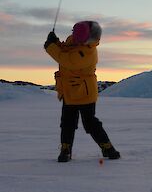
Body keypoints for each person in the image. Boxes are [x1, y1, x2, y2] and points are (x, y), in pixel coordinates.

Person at [44, 21, 120, 162]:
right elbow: (66, 48)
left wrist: (50, 47)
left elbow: (66, 59)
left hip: (84, 92)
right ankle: (65, 150)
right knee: (67, 123)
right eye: (74, 33)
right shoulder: (75, 40)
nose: (74, 37)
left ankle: (108, 148)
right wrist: (55, 42)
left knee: (90, 123)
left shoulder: (88, 52)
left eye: (77, 36)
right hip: (69, 91)